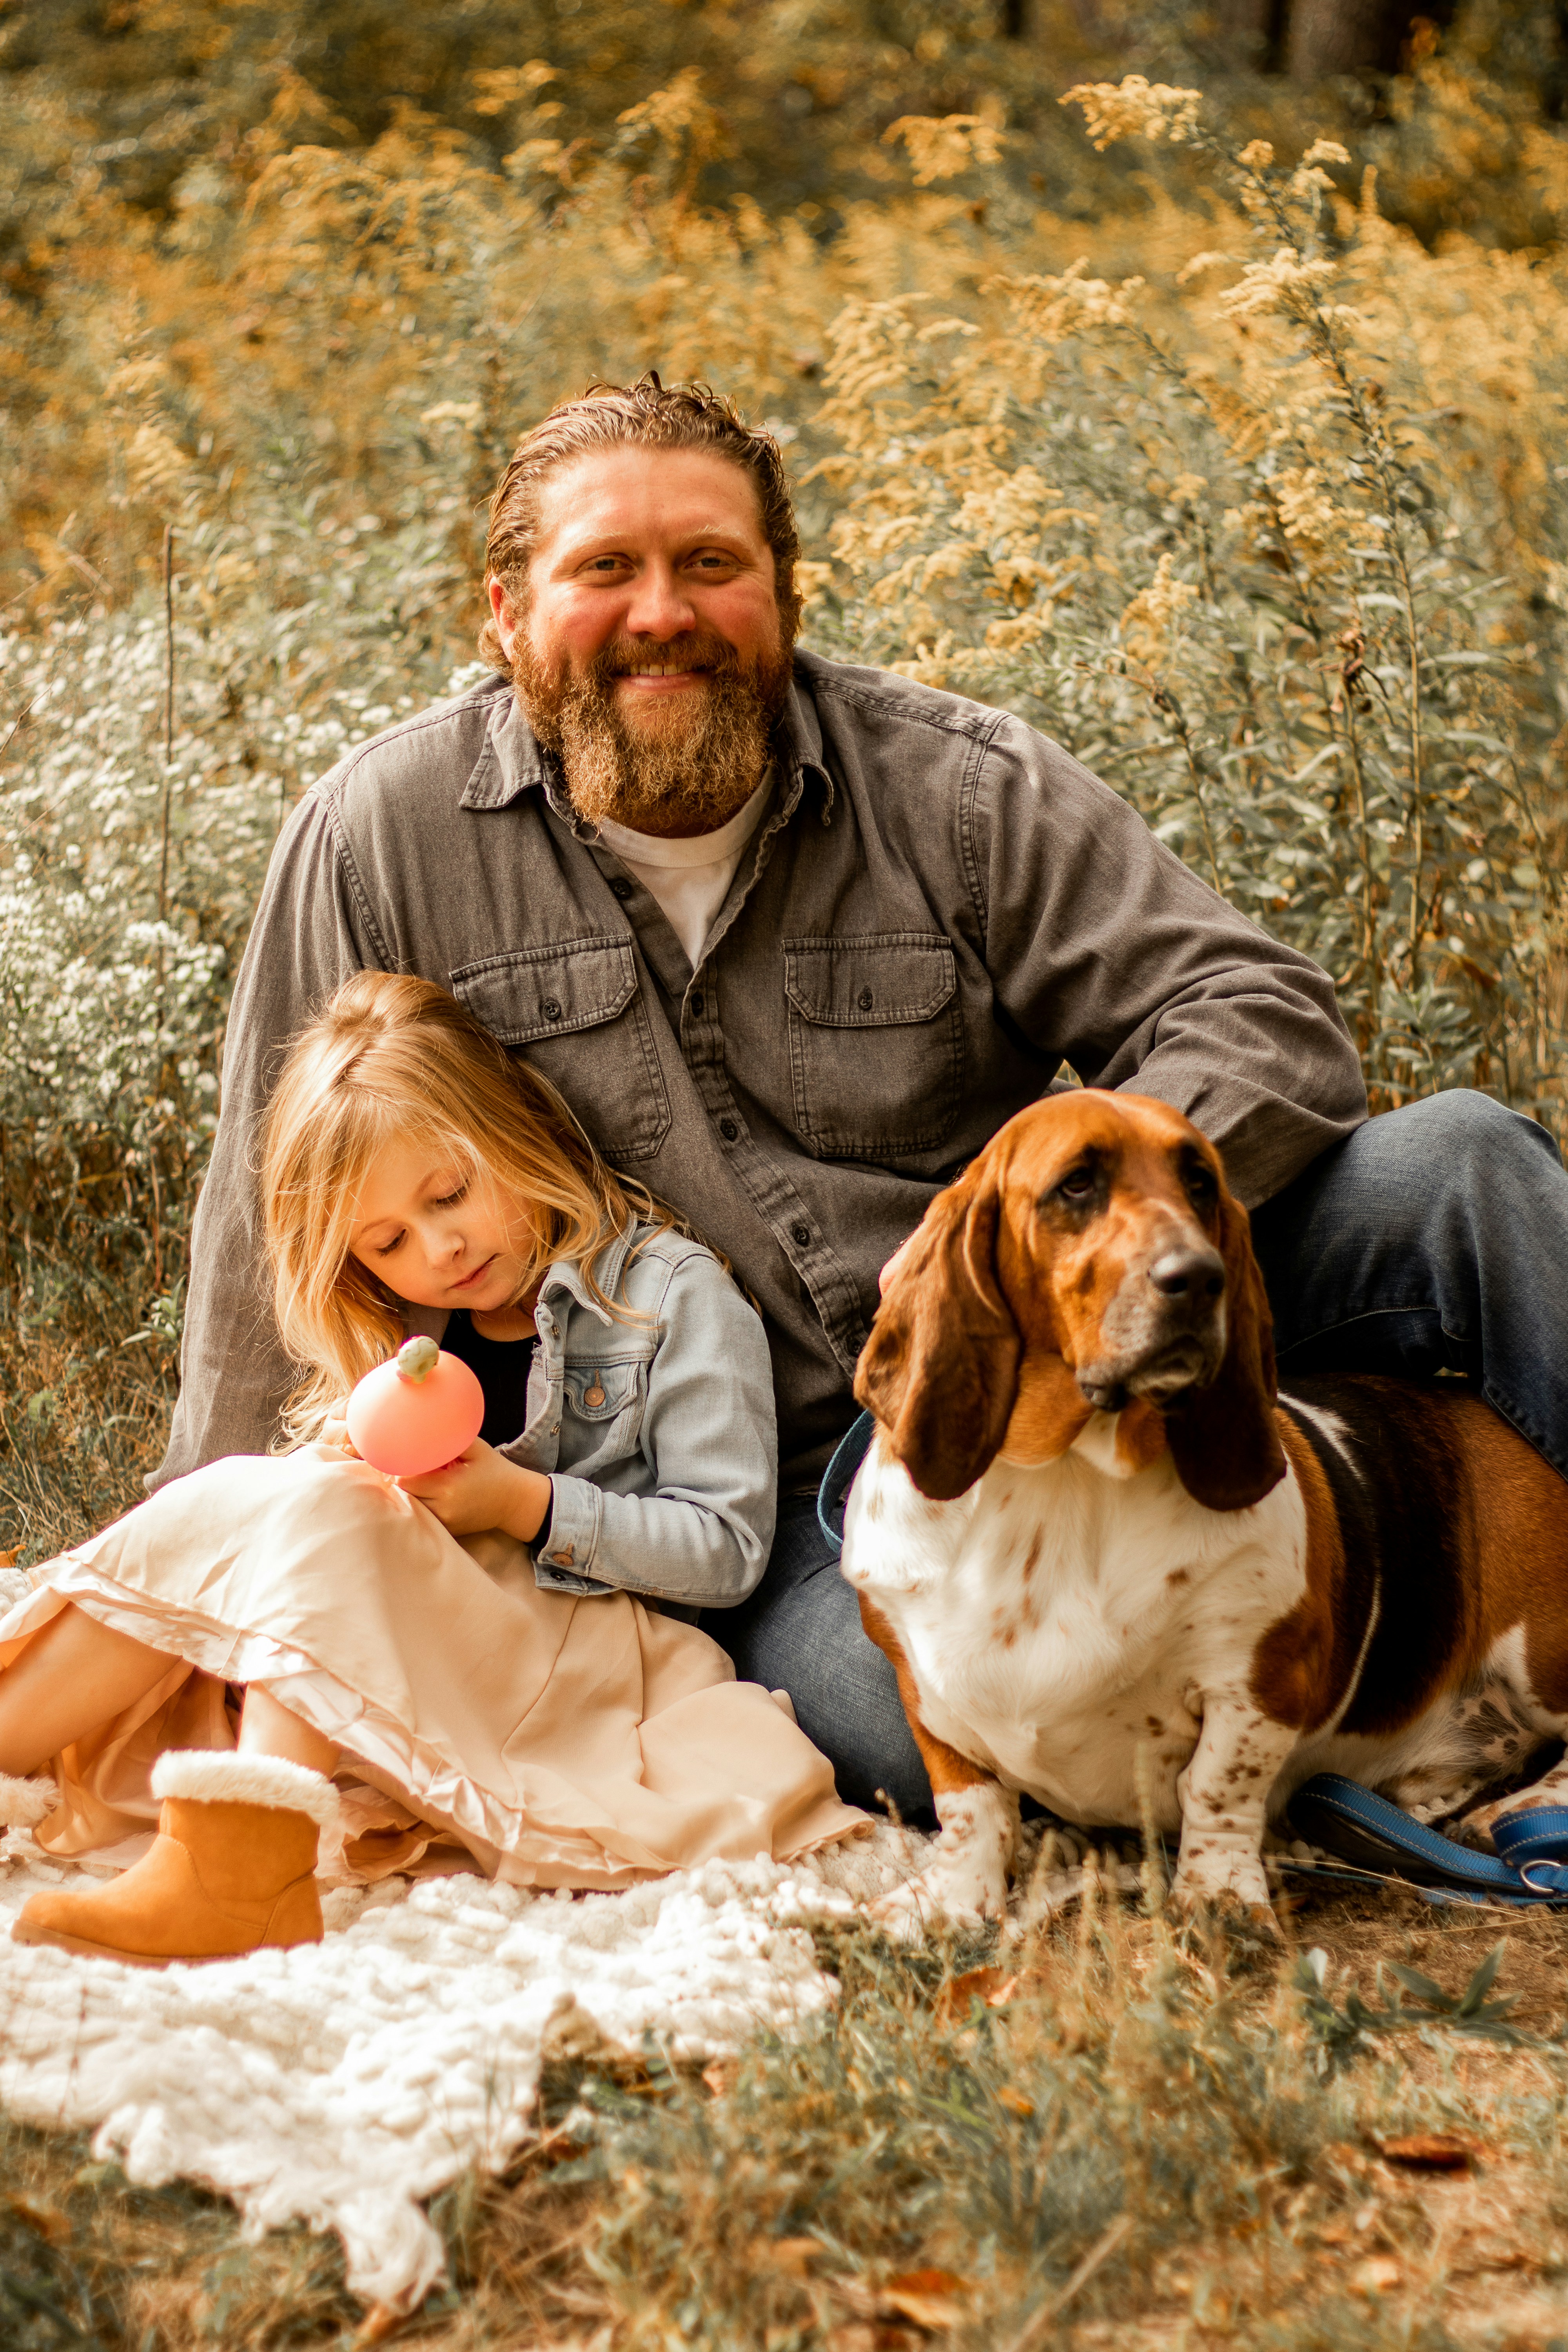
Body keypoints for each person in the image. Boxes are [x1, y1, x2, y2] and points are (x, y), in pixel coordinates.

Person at [154, 374, 1568, 1822]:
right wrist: (203, 1595)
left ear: (785, 595)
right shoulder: (381, 837)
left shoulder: (958, 791)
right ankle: (1338, 1744)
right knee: (921, 1747)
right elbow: (273, 1225)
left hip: (1042, 1336)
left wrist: (1036, 1244)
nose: (664, 613)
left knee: (1465, 1166)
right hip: (765, 1493)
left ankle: (1308, 1581)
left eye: (712, 563)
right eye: (606, 571)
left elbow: (1261, 1017)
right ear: (505, 613)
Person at [0, 973, 864, 1966]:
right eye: (389, 1242)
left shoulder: (668, 1297)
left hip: (591, 1659)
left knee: (329, 1512)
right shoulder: (407, 1333)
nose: (440, 1248)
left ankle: (243, 1875)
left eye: (450, 1193)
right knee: (244, 1497)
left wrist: (522, 1503)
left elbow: (726, 1552)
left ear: (511, 1126)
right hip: (440, 1640)